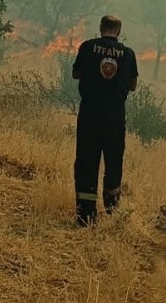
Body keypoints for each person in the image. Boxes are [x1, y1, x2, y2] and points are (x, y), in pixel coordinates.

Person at [71, 14, 139, 226]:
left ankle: (86, 215)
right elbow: (133, 85)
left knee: (86, 162)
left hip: (89, 113)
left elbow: (76, 73)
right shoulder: (128, 54)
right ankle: (113, 209)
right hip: (114, 116)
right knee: (113, 160)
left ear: (101, 28)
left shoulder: (87, 47)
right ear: (118, 31)